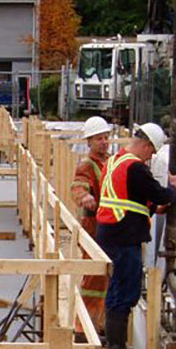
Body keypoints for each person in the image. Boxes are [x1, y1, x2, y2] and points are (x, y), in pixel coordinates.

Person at [96, 123, 176, 349]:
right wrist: (174, 186)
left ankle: (115, 346)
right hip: (124, 237)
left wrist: (153, 208)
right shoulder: (135, 167)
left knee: (116, 289)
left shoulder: (114, 162)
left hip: (110, 233)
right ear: (146, 146)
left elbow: (128, 197)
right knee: (126, 290)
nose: (150, 158)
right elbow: (161, 194)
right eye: (151, 152)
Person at [71, 116, 112, 335]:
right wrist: (84, 196)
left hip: (110, 227)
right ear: (89, 142)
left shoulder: (111, 162)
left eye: (106, 138)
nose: (104, 142)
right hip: (94, 227)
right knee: (94, 277)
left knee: (106, 277)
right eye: (99, 139)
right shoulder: (87, 165)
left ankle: (101, 324)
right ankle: (83, 328)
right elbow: (77, 188)